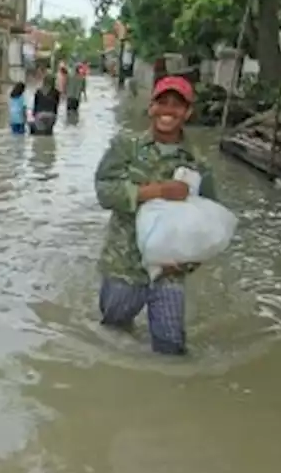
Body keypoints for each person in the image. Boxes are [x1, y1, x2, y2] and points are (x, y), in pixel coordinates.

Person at [93, 75, 217, 355]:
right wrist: (157, 191)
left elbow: (209, 221)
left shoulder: (198, 162)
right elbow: (104, 191)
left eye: (177, 105)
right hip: (125, 265)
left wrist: (188, 262)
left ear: (187, 112)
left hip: (170, 271)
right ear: (151, 107)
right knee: (112, 336)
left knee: (171, 347)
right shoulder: (126, 147)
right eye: (163, 103)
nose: (168, 111)